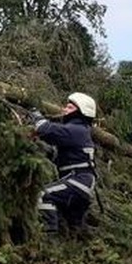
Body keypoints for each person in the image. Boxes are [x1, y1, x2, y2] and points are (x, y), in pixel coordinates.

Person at [29, 92, 98, 233]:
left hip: (78, 181)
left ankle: (47, 239)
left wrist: (36, 116)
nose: (64, 110)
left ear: (82, 112)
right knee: (72, 227)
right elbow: (56, 154)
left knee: (42, 195)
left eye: (69, 107)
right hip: (81, 184)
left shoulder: (75, 129)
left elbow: (44, 129)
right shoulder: (79, 131)